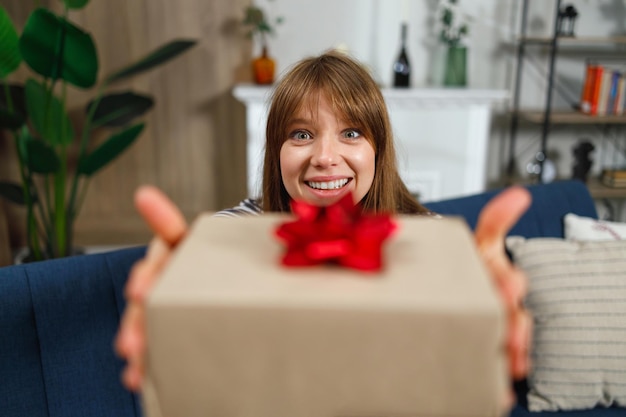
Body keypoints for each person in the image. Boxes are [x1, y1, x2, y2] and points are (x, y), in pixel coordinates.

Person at [115, 50, 531, 408]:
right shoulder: (238, 229)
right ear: (277, 151)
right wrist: (180, 282)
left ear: (377, 150)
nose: (325, 157)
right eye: (301, 134)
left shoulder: (429, 239)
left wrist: (480, 297)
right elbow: (206, 271)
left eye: (351, 132)